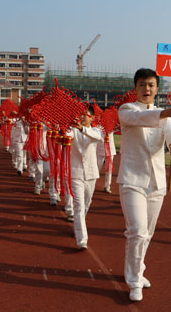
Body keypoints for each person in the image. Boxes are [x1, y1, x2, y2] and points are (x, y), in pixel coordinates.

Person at [117, 68, 171, 302]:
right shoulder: (126, 110)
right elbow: (139, 119)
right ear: (135, 88)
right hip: (132, 179)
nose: (147, 89)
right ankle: (134, 281)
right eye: (143, 85)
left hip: (156, 181)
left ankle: (138, 270)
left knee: (148, 234)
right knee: (137, 231)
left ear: (157, 89)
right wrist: (167, 112)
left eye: (151, 85)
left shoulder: (165, 117)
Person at [66, 106, 101, 250]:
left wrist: (82, 129)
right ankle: (82, 239)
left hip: (91, 173)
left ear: (92, 118)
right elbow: (67, 135)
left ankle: (79, 226)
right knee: (79, 206)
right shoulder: (73, 130)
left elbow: (96, 137)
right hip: (76, 173)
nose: (82, 117)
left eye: (85, 115)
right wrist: (60, 129)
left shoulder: (96, 130)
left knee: (87, 203)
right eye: (80, 114)